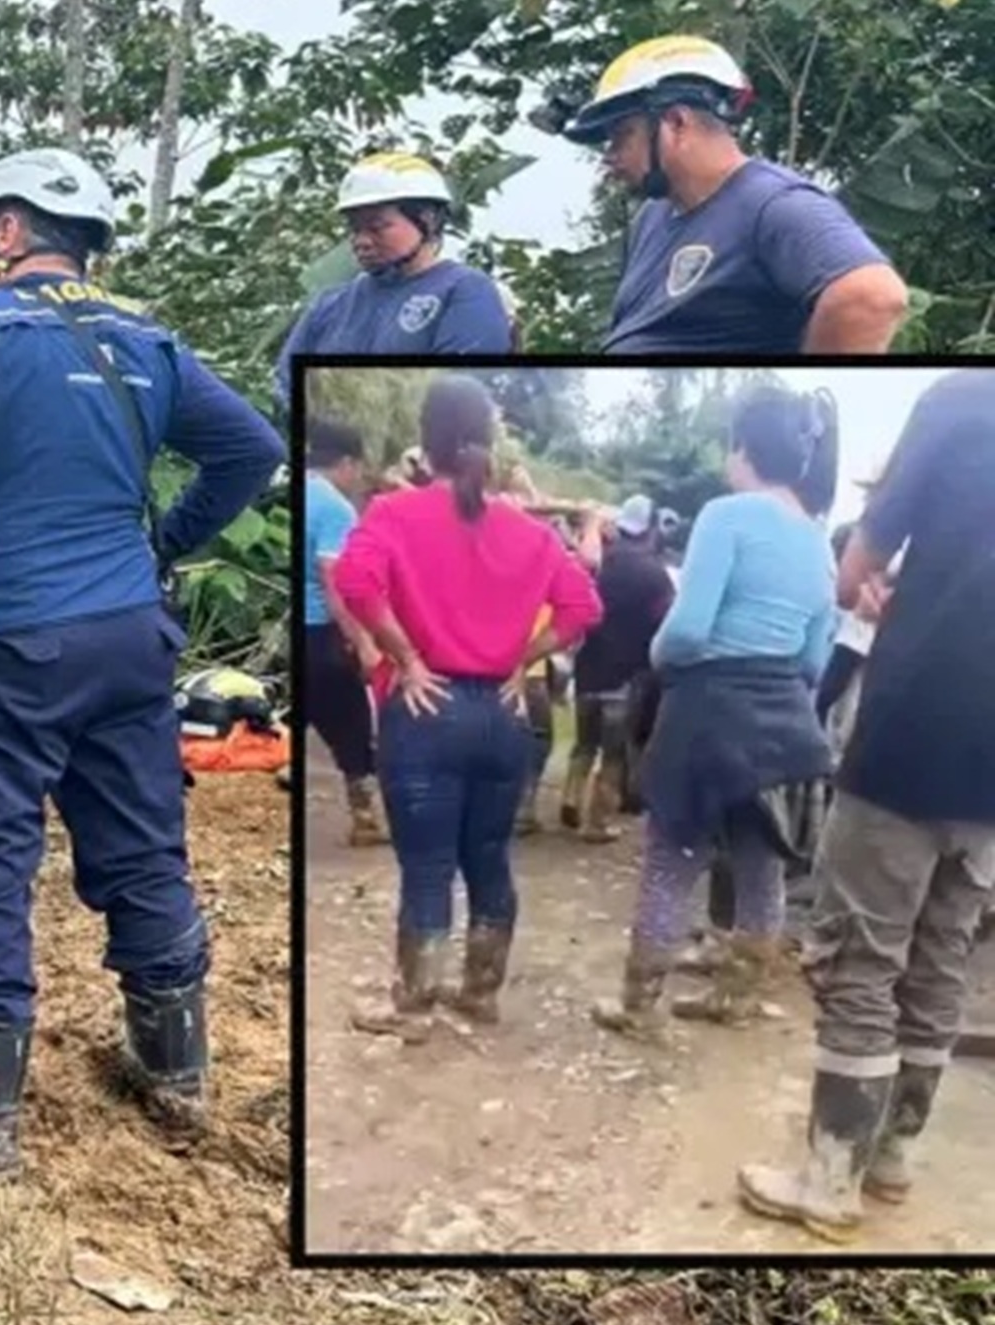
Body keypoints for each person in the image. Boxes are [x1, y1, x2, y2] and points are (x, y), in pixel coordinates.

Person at [0, 148, 284, 1173]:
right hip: (129, 637)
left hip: (4, 643)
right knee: (139, 841)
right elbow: (250, 447)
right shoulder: (147, 341)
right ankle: (174, 1069)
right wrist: (164, 541)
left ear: (4, 232)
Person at [737, 370, 995, 1238]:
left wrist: (876, 590)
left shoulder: (964, 400)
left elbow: (854, 572)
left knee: (864, 955)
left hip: (920, 720)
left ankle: (831, 1177)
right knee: (943, 950)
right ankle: (892, 1160)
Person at [334, 376, 601, 1044]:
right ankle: (480, 995)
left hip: (425, 708)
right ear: (486, 440)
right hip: (504, 717)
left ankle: (415, 1007)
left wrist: (406, 655)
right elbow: (583, 608)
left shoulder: (395, 513)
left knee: (427, 867)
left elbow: (354, 580)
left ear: (428, 440)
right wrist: (520, 657)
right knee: (489, 858)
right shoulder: (530, 531)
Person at [591, 387, 840, 1044]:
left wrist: (659, 655)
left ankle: (641, 1008)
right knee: (763, 872)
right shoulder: (819, 542)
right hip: (787, 726)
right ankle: (738, 999)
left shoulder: (726, 517)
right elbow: (815, 658)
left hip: (708, 715)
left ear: (743, 448)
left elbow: (687, 630)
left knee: (672, 860)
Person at [555, 35, 909, 354]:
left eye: (622, 135)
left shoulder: (775, 204)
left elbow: (872, 297)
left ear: (677, 122)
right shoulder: (653, 216)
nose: (609, 156)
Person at [273, 153, 514, 411]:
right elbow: (287, 385)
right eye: (355, 229)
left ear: (428, 220)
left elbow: (461, 391)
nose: (361, 241)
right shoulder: (329, 305)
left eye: (377, 227)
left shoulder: (463, 290)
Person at [561, 496, 676, 844]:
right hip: (624, 679)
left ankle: (570, 797)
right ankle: (596, 822)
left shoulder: (599, 561)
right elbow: (668, 624)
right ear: (651, 529)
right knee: (613, 754)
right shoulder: (655, 575)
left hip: (587, 671)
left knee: (583, 744)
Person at [299, 417, 388, 847]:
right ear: (348, 462)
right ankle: (365, 818)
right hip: (322, 635)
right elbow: (336, 583)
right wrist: (364, 642)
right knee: (352, 725)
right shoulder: (334, 507)